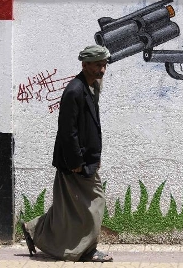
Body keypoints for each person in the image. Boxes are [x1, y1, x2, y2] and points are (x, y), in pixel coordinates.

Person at [21, 45, 113, 262]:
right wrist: (76, 161)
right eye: (98, 65)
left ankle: (34, 229)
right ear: (85, 65)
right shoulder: (74, 90)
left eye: (104, 65)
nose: (102, 70)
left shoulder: (90, 88)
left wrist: (94, 158)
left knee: (67, 206)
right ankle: (88, 251)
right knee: (96, 202)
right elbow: (67, 130)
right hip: (75, 161)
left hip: (85, 159)